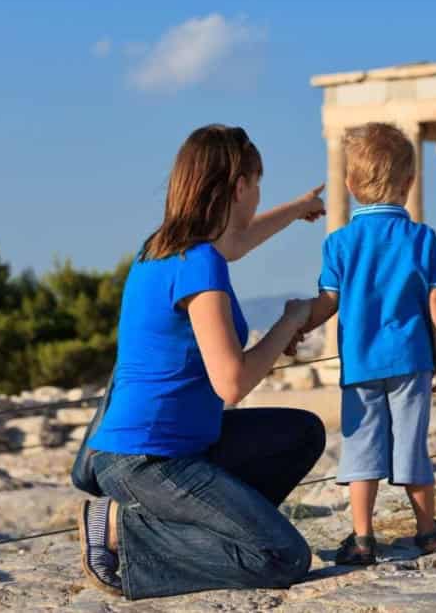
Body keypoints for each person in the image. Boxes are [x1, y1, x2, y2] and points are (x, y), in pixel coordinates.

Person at [75, 124, 327, 599]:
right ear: (239, 187)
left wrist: (298, 210)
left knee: (302, 434)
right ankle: (119, 533)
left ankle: (214, 529)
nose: (257, 195)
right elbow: (232, 384)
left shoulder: (165, 247)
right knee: (283, 557)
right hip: (146, 459)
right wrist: (289, 322)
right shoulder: (199, 264)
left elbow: (240, 240)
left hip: (182, 445)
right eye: (257, 184)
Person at [296, 122, 436, 566]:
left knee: (361, 450)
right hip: (411, 360)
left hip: (361, 365)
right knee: (412, 446)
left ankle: (363, 539)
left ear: (349, 184)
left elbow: (328, 302)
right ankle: (428, 533)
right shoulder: (422, 238)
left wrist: (296, 328)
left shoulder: (339, 242)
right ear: (410, 183)